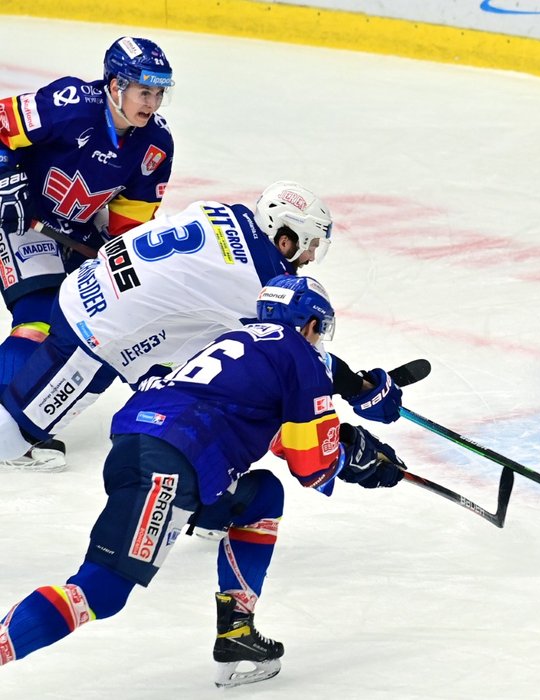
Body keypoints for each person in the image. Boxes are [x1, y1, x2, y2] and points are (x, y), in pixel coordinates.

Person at [0, 274, 405, 687]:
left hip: (155, 448)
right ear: (311, 324)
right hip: (170, 464)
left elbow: (280, 436)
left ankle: (236, 632)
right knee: (100, 591)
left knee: (261, 495)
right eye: (321, 329)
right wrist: (356, 457)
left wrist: (348, 447)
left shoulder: (236, 338)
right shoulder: (299, 355)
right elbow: (311, 465)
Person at [0, 180, 401, 472]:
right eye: (309, 243)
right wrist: (359, 388)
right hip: (98, 329)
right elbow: (294, 356)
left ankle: (212, 490)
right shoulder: (259, 279)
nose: (311, 255)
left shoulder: (225, 212)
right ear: (283, 238)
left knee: (219, 368)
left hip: (96, 292)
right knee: (13, 435)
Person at [0, 36, 175, 464]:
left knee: (79, 325)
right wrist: (7, 178)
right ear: (115, 85)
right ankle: (7, 426)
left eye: (157, 93)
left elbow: (128, 224)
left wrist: (115, 262)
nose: (151, 103)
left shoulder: (155, 146)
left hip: (76, 231)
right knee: (37, 317)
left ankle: (19, 417)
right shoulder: (69, 103)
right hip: (21, 218)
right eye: (143, 91)